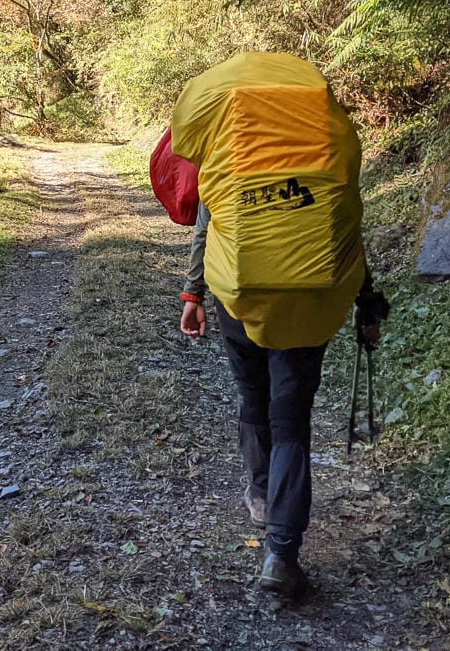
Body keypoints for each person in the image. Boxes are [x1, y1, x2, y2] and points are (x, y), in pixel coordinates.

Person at [168, 51, 387, 600]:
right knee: (291, 419)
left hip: (237, 298)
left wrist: (194, 293)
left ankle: (262, 494)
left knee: (251, 393)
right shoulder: (330, 152)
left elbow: (204, 228)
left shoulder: (227, 154)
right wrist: (366, 302)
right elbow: (348, 233)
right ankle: (281, 555)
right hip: (312, 302)